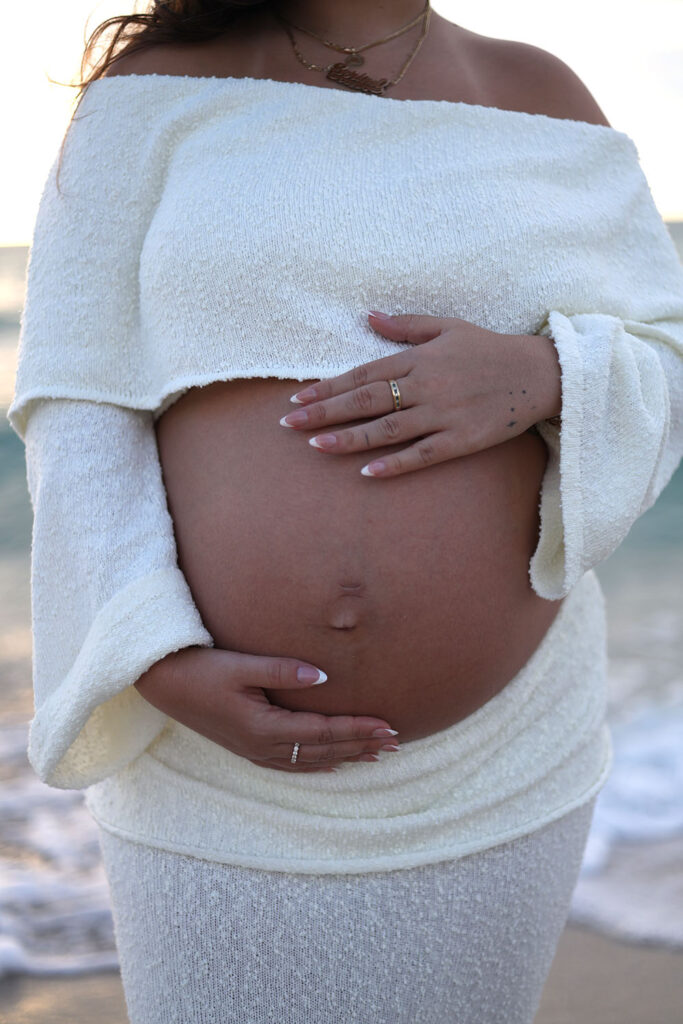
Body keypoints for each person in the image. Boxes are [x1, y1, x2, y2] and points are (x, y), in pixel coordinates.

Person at [8, 1, 683, 1021]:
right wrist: (146, 654)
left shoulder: (541, 95)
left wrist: (544, 374)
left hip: (501, 764)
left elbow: (665, 350)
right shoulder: (155, 88)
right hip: (214, 772)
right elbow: (75, 393)